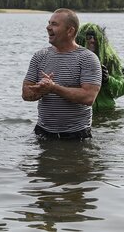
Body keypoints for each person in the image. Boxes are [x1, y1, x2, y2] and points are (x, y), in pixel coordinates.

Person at [22, 8, 101, 140]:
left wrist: (53, 88)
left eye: (54, 24)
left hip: (77, 136)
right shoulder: (40, 56)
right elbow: (25, 94)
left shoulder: (88, 58)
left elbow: (88, 97)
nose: (48, 27)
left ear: (70, 31)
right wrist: (42, 90)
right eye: (49, 23)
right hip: (42, 133)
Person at [75, 23, 124, 114]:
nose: (92, 40)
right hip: (81, 112)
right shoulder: (72, 59)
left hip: (108, 111)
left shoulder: (111, 61)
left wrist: (108, 80)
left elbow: (122, 88)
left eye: (95, 37)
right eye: (88, 37)